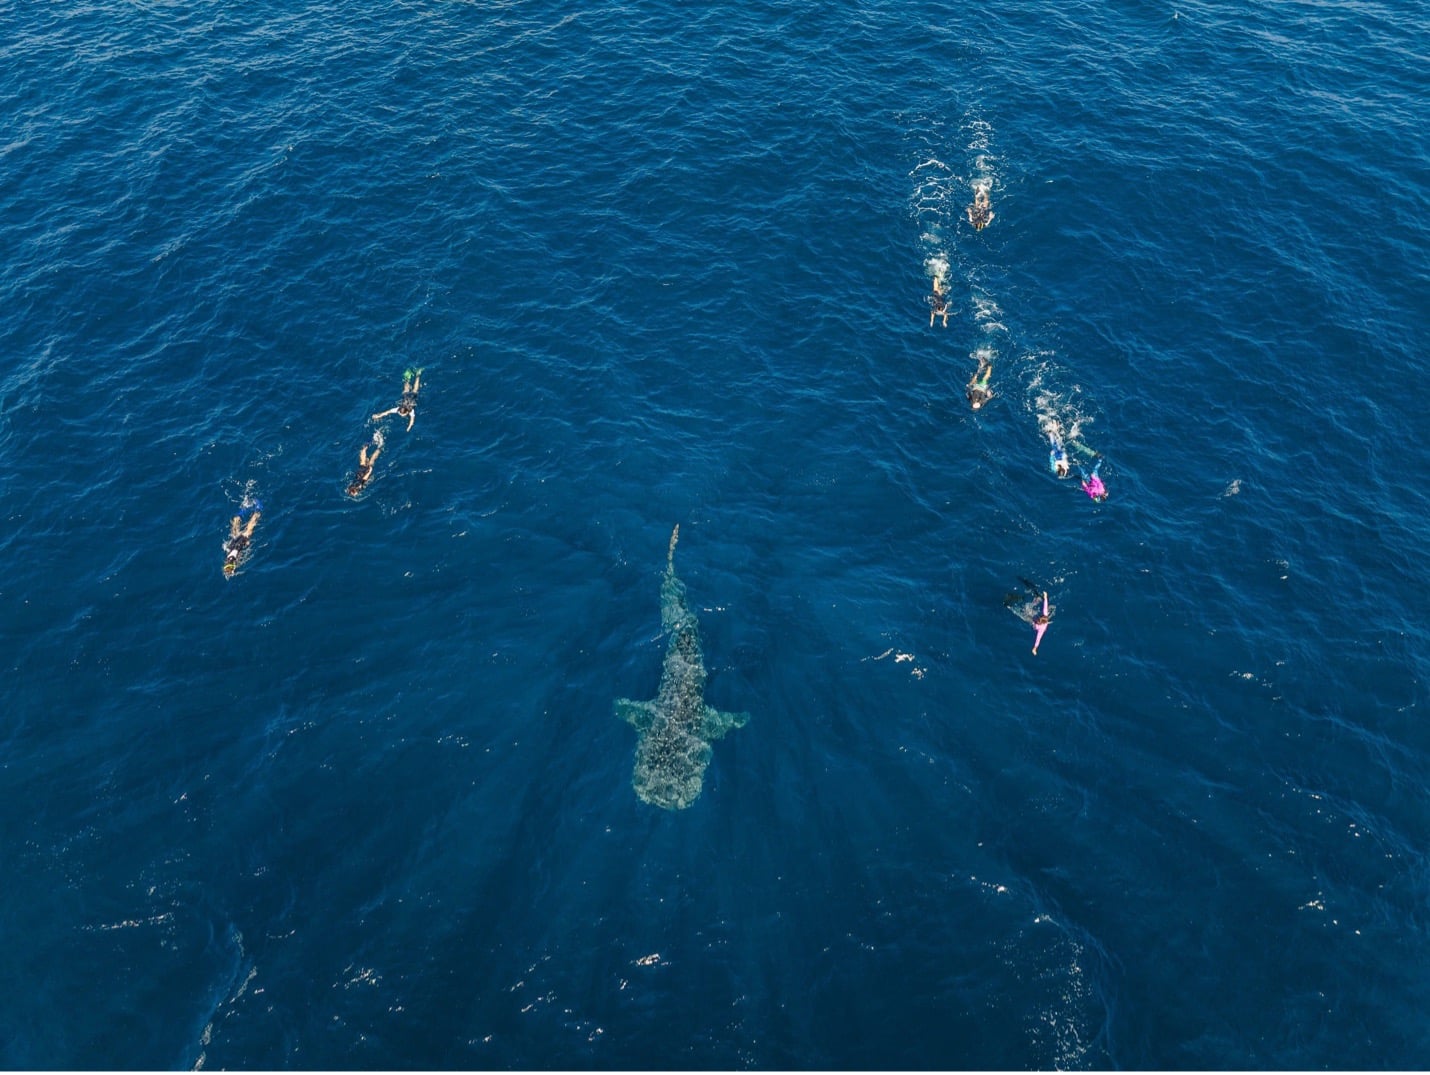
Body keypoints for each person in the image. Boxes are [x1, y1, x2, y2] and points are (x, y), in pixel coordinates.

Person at [223, 503, 262, 577]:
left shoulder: (234, 561)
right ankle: (241, 513)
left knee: (249, 529)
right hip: (232, 545)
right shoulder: (227, 560)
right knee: (235, 529)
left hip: (239, 545)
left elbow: (237, 556)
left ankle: (257, 511)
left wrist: (247, 542)